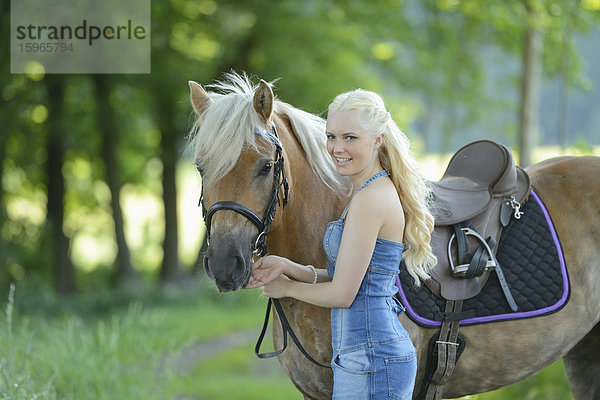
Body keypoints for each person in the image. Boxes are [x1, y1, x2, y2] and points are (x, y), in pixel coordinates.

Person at [244, 89, 437, 399]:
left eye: (350, 138)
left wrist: (287, 288)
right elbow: (347, 277)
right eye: (331, 136)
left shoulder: (371, 200)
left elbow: (344, 294)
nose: (336, 148)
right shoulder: (363, 192)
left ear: (377, 140)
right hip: (362, 356)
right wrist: (288, 267)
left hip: (373, 359)